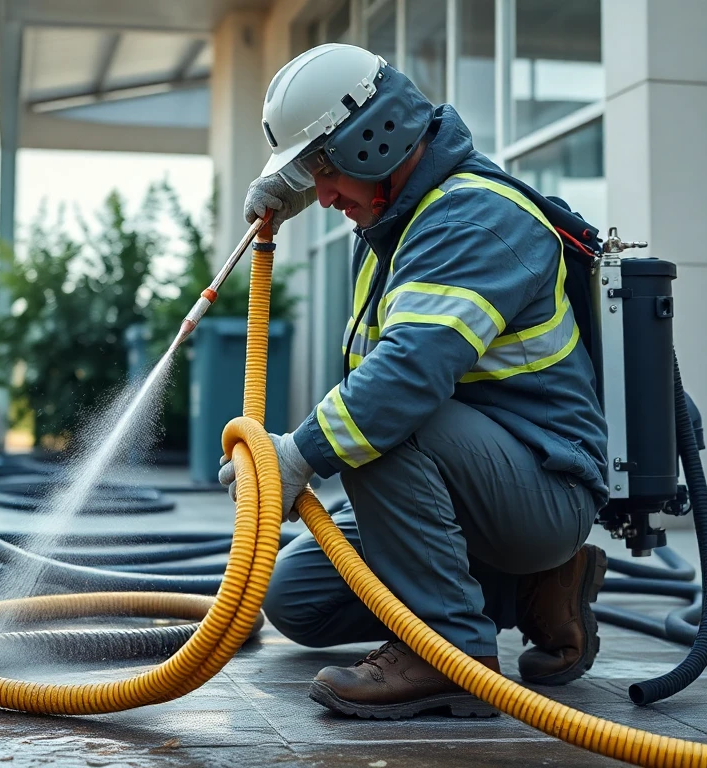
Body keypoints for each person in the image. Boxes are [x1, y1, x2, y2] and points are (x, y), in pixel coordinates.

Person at [218, 43, 610, 720]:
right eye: (313, 176)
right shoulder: (393, 226)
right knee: (298, 602)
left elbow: (400, 382)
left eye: (326, 170)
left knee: (382, 421)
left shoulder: (471, 219)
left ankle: (449, 653)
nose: (327, 194)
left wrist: (296, 457)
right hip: (474, 479)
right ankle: (533, 589)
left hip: (545, 487)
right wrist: (298, 187)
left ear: (376, 141)